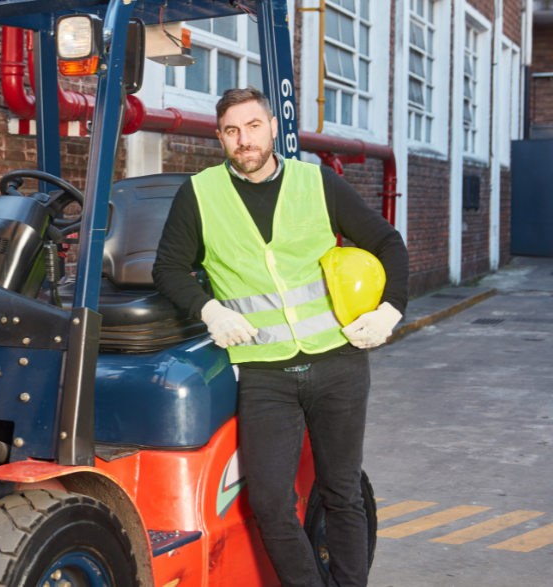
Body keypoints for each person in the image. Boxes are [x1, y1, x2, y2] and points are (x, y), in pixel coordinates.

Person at [152, 86, 408, 587]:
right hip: (265, 371)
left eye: (252, 126)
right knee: (270, 502)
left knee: (341, 491)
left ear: (272, 128)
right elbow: (169, 269)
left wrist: (390, 311)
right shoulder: (200, 194)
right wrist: (209, 310)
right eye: (231, 131)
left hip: (338, 362)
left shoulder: (318, 183)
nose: (243, 140)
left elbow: (387, 242)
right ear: (220, 138)